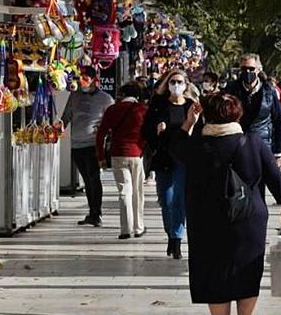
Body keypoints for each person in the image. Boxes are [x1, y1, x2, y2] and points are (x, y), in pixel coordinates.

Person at [172, 93, 281, 315]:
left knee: (214, 272)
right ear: (238, 114)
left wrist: (189, 121)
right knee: (247, 272)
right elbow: (274, 176)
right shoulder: (254, 143)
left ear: (206, 115)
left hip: (207, 221)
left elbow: (175, 146)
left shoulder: (197, 145)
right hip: (249, 220)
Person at [141, 69, 197, 259]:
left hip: (183, 158)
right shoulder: (158, 105)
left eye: (179, 82)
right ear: (167, 84)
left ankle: (177, 239)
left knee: (179, 199)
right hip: (164, 157)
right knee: (166, 199)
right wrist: (156, 130)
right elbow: (145, 131)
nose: (176, 85)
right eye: (172, 81)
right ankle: (170, 234)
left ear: (186, 85)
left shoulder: (191, 106)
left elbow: (199, 132)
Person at [62, 65, 115, 226]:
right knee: (86, 179)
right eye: (80, 78)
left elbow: (112, 122)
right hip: (76, 145)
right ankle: (92, 212)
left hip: (93, 145)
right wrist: (57, 128)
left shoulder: (106, 99)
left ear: (94, 80)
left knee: (94, 178)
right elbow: (66, 117)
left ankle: (96, 213)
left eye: (85, 78)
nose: (82, 82)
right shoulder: (74, 96)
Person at [96, 82, 148, 240]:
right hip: (137, 154)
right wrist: (142, 150)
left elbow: (101, 134)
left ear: (122, 94)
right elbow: (147, 134)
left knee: (124, 191)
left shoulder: (113, 109)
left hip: (118, 154)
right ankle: (138, 227)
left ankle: (125, 229)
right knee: (137, 192)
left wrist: (101, 157)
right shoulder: (143, 110)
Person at [224, 54, 281, 164]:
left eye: (251, 69)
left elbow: (278, 121)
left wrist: (278, 153)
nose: (247, 72)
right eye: (244, 69)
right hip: (238, 145)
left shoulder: (269, 91)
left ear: (258, 70)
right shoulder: (231, 89)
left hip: (263, 144)